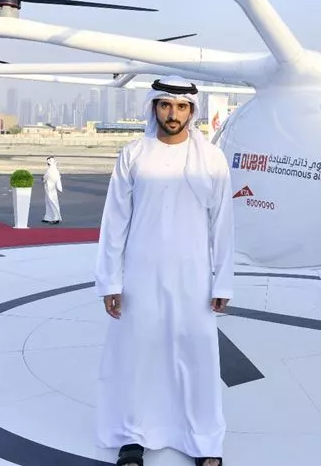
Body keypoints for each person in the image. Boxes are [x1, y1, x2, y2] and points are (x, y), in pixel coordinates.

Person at [94, 76, 235, 466]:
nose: (173, 114)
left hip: (194, 275)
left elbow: (222, 224)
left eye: (181, 107)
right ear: (154, 107)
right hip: (141, 273)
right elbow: (115, 221)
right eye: (165, 105)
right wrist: (110, 279)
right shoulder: (134, 154)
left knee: (197, 354)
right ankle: (132, 437)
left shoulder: (212, 159)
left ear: (193, 111)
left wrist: (222, 279)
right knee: (138, 354)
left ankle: (205, 442)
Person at [41, 156, 63, 224]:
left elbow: (46, 177)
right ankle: (48, 217)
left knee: (53, 203)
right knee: (48, 203)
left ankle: (56, 218)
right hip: (48, 189)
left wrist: (43, 179)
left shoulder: (52, 170)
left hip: (51, 189)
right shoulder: (51, 169)